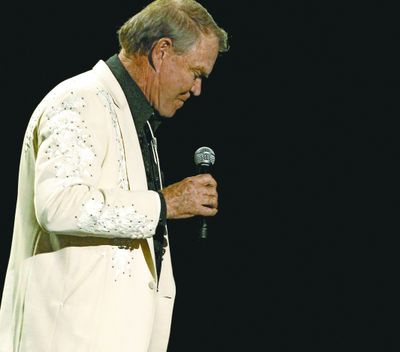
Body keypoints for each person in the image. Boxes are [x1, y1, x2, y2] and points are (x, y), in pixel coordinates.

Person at [0, 0, 229, 351]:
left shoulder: (140, 123)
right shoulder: (79, 99)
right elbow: (58, 204)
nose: (197, 89)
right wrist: (163, 204)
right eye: (195, 72)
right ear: (161, 51)